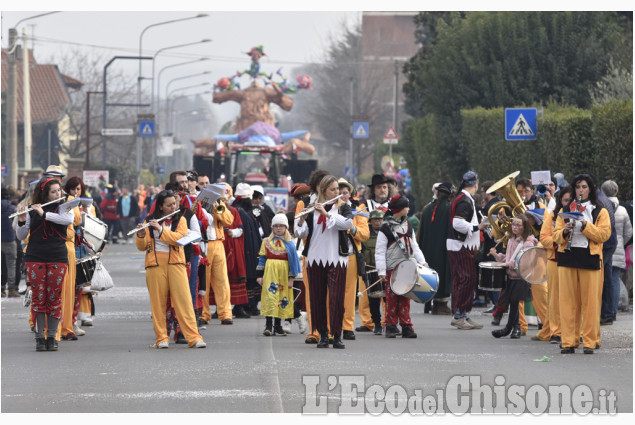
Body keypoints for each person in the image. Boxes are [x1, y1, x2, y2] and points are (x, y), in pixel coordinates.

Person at [134, 190, 206, 349]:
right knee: (158, 303)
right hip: (155, 264)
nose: (174, 207)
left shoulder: (181, 219)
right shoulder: (149, 220)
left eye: (175, 203)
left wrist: (160, 230)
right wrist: (140, 235)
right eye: (169, 205)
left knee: (184, 301)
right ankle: (162, 338)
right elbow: (142, 247)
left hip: (176, 263)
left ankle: (193, 337)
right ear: (161, 206)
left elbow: (179, 239)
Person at [554, 174, 611, 354]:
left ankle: (590, 341)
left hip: (589, 258)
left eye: (584, 187)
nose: (581, 190)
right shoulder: (564, 210)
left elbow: (604, 235)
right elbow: (555, 236)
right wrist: (565, 231)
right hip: (568, 258)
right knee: (567, 302)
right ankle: (569, 341)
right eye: (578, 187)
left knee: (590, 303)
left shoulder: (599, 211)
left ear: (590, 189)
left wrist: (585, 225)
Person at [295, 175, 353, 349]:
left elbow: (347, 224)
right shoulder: (311, 206)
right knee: (317, 299)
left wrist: (326, 213)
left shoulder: (343, 207)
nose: (338, 192)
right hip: (314, 258)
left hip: (337, 259)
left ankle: (336, 335)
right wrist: (302, 219)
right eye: (333, 190)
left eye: (338, 189)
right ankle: (322, 335)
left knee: (336, 298)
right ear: (323, 191)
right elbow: (301, 233)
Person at [16, 178, 74, 351]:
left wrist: (44, 214)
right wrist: (21, 220)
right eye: (54, 192)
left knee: (54, 298)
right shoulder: (32, 211)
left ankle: (52, 337)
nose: (58, 194)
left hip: (57, 258)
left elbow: (67, 221)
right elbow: (21, 236)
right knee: (39, 298)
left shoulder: (63, 208)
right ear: (45, 194)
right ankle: (40, 337)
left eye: (59, 191)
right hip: (35, 257)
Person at [375, 194, 427, 338]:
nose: (408, 209)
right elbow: (379, 251)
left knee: (405, 296)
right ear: (399, 209)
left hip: (408, 266)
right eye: (406, 206)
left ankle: (406, 325)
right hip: (392, 267)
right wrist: (381, 271)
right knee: (392, 297)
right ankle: (391, 325)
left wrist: (422, 262)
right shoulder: (385, 227)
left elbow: (415, 246)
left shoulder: (408, 224)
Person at [447, 171, 489, 329]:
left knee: (462, 280)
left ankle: (462, 313)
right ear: (475, 184)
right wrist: (478, 226)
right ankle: (459, 314)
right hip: (461, 245)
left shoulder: (462, 198)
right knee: (466, 280)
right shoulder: (465, 200)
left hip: (459, 245)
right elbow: (457, 223)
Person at [490, 214, 538, 339]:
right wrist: (497, 256)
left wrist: (508, 264)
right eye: (513, 224)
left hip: (521, 277)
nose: (514, 227)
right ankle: (515, 328)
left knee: (515, 303)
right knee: (512, 303)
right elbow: (509, 257)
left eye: (518, 225)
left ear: (524, 226)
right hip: (511, 276)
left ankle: (508, 329)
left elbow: (523, 261)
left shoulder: (528, 242)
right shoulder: (511, 239)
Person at [257, 213, 302, 336]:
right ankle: (268, 325)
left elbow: (293, 263)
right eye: (276, 226)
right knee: (270, 298)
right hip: (270, 273)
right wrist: (260, 275)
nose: (278, 228)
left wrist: (291, 278)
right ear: (272, 227)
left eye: (281, 226)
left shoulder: (290, 244)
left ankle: (278, 326)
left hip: (283, 275)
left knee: (281, 298)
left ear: (286, 227)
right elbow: (262, 258)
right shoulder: (266, 241)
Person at [337, 178, 369, 341]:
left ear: (350, 194)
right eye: (339, 192)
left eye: (345, 192)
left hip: (350, 255)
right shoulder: (331, 209)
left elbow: (365, 234)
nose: (342, 195)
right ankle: (331, 325)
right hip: (332, 256)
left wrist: (352, 228)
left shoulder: (358, 210)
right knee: (333, 293)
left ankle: (347, 327)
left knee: (349, 294)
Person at [539, 186, 572, 345]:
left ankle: (573, 330)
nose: (568, 203)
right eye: (565, 200)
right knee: (555, 298)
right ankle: (556, 331)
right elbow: (543, 237)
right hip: (555, 260)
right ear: (560, 201)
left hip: (575, 261)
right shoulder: (552, 216)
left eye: (570, 200)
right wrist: (557, 242)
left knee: (573, 298)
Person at [418, 182, 454, 315]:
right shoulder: (450, 208)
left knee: (429, 273)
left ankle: (428, 302)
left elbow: (421, 231)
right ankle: (441, 304)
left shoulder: (427, 208)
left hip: (427, 248)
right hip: (443, 248)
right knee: (443, 274)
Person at [601, 180, 632, 324]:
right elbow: (629, 232)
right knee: (614, 281)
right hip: (618, 248)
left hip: (604, 247)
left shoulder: (601, 206)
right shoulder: (623, 210)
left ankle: (605, 311)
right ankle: (612, 312)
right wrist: (622, 244)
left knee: (604, 281)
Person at [362, 210, 386, 334]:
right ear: (370, 222)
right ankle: (377, 323)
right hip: (371, 271)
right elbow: (361, 252)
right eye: (375, 220)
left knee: (389, 299)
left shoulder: (387, 233)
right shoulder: (365, 235)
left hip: (386, 272)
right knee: (373, 299)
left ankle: (390, 322)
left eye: (380, 219)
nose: (377, 222)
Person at [2, 187, 19, 298]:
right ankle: (11, 289)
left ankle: (1, 288)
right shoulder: (12, 208)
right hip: (10, 239)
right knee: (11, 265)